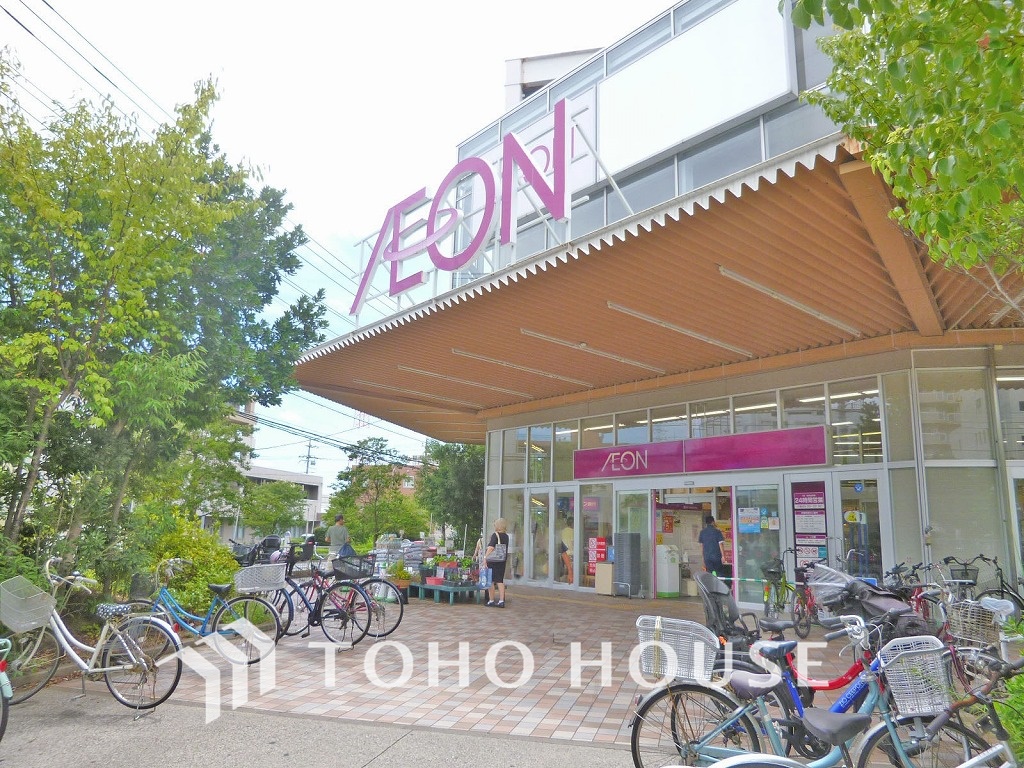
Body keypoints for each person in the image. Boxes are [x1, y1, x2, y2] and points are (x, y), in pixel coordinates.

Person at [484, 518, 510, 607]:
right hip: (502, 560)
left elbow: (491, 548)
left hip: (492, 561)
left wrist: (485, 557)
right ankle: (501, 601)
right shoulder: (506, 536)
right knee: (500, 581)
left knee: (491, 581)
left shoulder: (495, 535)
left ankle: (491, 600)